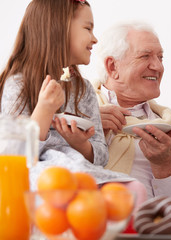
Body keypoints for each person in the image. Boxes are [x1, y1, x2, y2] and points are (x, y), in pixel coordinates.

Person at [0, 0, 146, 199]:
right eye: (88, 28)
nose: (95, 39)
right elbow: (15, 156)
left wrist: (81, 144)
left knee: (135, 190)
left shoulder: (83, 90)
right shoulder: (17, 85)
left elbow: (101, 156)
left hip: (80, 172)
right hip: (38, 178)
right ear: (57, 29)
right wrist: (43, 110)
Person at [93, 22, 171, 213]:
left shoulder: (167, 126)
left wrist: (163, 166)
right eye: (145, 56)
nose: (158, 66)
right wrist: (92, 135)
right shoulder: (78, 111)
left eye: (160, 57)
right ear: (112, 67)